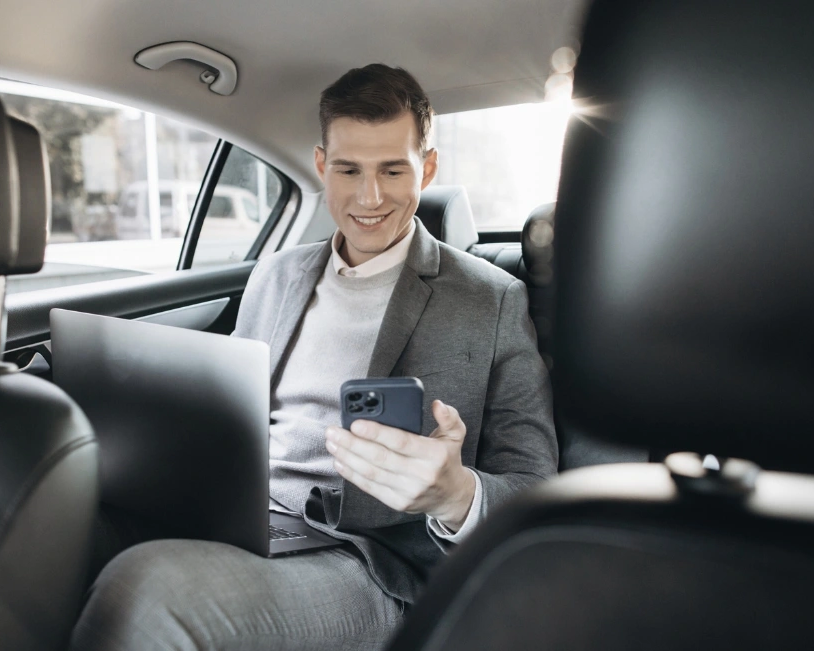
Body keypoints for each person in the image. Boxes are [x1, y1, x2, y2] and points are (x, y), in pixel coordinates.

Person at [70, 63, 557, 651]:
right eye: (349, 169)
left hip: (368, 561)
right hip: (244, 518)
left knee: (150, 593)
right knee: (53, 526)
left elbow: (535, 485)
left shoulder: (492, 297)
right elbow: (232, 418)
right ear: (322, 165)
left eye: (393, 170)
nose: (369, 196)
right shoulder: (275, 274)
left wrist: (454, 492)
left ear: (426, 168)